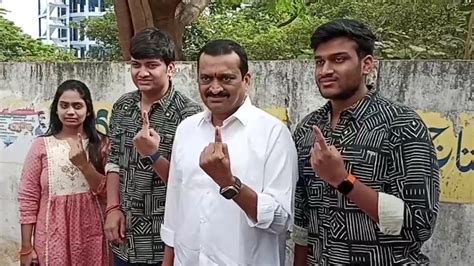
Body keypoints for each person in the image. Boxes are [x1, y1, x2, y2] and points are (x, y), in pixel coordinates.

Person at [292, 19, 440, 265]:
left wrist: (343, 180)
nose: (325, 70)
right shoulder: (308, 128)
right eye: (320, 61)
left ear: (366, 64)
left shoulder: (402, 124)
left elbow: (419, 224)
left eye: (339, 59)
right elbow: (302, 217)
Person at [161, 39, 298, 266]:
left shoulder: (273, 133)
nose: (214, 88)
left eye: (226, 78)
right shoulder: (186, 129)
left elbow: (280, 221)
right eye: (206, 78)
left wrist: (229, 183)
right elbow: (175, 206)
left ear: (246, 80)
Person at [104, 28, 203, 265]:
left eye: (151, 65)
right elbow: (114, 162)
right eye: (136, 65)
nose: (142, 72)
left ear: (170, 68)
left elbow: (188, 183)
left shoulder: (189, 116)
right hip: (124, 236)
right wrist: (112, 208)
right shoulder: (123, 106)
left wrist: (153, 154)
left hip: (165, 240)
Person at [18, 79, 109, 266]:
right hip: (52, 236)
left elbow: (110, 193)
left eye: (77, 106)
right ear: (56, 109)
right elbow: (28, 198)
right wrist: (27, 247)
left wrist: (84, 165)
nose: (70, 112)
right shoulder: (40, 146)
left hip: (93, 235)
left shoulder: (102, 145)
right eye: (64, 105)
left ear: (89, 109)